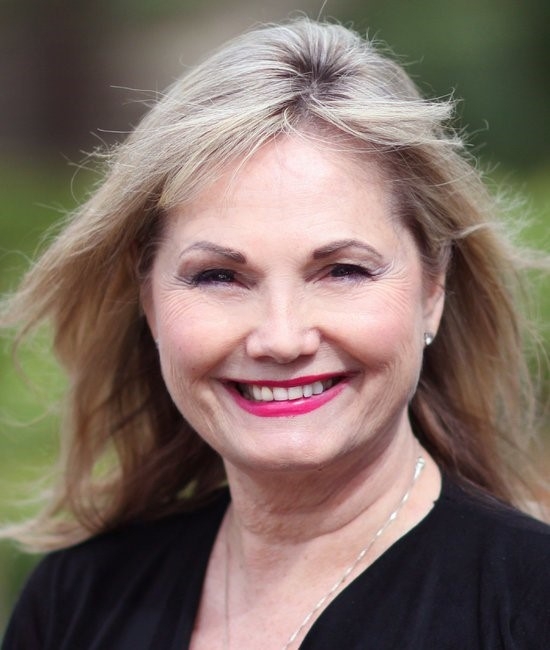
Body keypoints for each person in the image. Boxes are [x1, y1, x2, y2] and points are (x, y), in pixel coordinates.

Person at [1, 17, 549, 650]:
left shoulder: (529, 609)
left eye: (342, 271)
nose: (282, 339)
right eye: (219, 276)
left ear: (433, 290)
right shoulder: (75, 602)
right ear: (147, 298)